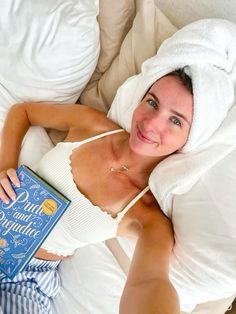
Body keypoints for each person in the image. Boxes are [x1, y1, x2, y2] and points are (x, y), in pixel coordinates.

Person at [0, 69, 193, 314]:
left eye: (175, 121)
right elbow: (23, 112)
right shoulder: (92, 124)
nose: (152, 123)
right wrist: (5, 166)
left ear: (189, 139)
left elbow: (150, 282)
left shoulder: (147, 215)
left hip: (26, 279)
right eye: (152, 102)